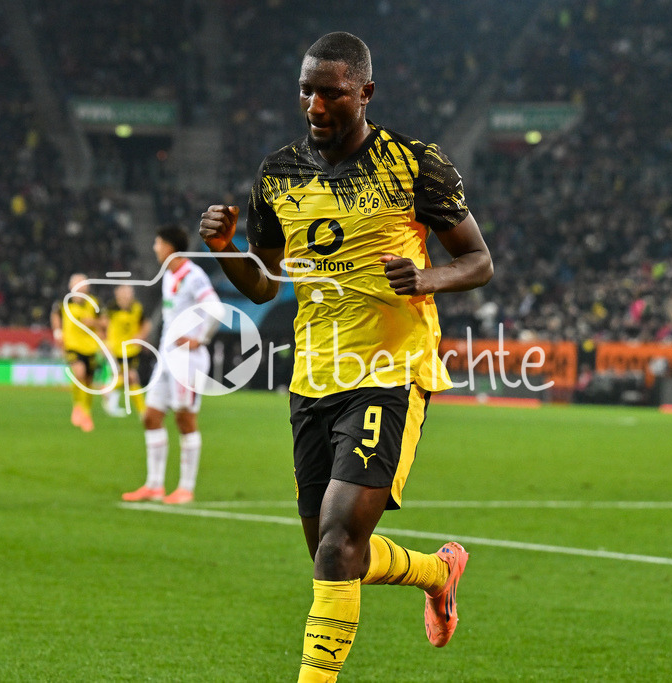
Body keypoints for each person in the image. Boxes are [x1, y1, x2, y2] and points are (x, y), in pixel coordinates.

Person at [199, 32, 493, 681]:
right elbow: (265, 282)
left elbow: (478, 260)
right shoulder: (278, 174)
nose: (314, 104)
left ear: (365, 93)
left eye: (330, 91)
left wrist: (428, 278)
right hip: (315, 376)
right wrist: (226, 246)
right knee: (338, 554)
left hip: (390, 369)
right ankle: (439, 572)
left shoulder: (415, 165)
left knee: (337, 542)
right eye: (306, 90)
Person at [122, 225, 222, 505]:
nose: (154, 247)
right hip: (167, 358)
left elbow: (216, 309)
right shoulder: (169, 275)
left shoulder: (193, 275)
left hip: (188, 360)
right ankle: (154, 485)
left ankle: (185, 488)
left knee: (184, 419)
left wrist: (199, 338)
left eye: (157, 242)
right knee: (151, 416)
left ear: (169, 246)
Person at [50, 273, 105, 433]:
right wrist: (58, 333)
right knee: (79, 372)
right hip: (72, 346)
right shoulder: (63, 302)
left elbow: (105, 322)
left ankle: (86, 414)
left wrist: (93, 322)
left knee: (88, 382)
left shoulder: (94, 303)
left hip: (90, 347)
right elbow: (55, 315)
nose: (80, 288)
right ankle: (78, 407)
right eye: (77, 285)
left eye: (83, 285)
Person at [102, 284, 152, 417]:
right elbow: (102, 325)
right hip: (116, 349)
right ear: (117, 293)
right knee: (131, 377)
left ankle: (112, 398)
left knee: (130, 379)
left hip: (131, 349)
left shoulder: (137, 307)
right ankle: (143, 411)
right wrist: (104, 342)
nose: (127, 295)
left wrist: (141, 335)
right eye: (124, 293)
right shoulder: (111, 308)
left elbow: (146, 323)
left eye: (129, 293)